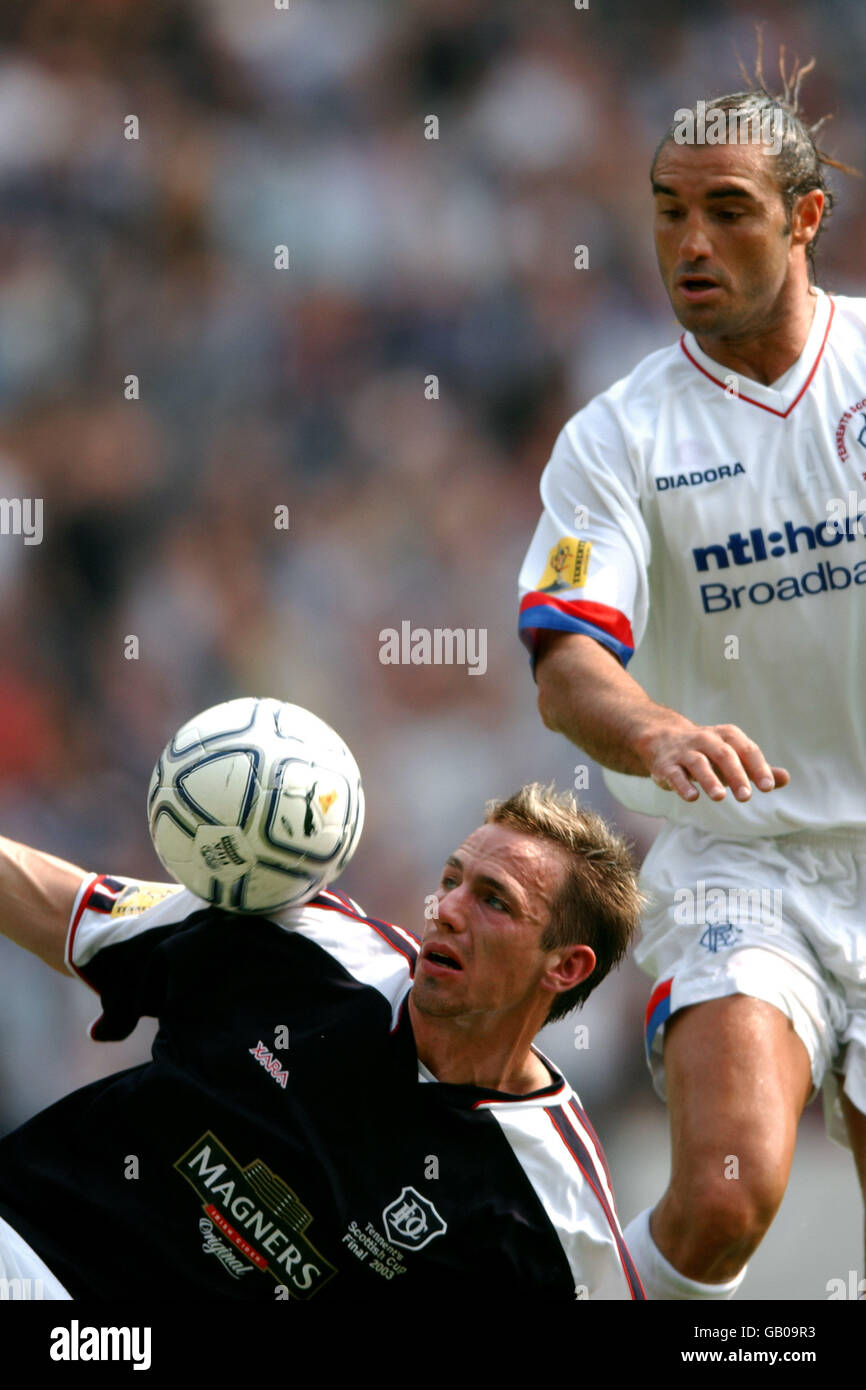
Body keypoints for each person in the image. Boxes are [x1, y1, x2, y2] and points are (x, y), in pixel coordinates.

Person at [518, 55, 866, 1301]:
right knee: (724, 1194)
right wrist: (657, 731)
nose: (689, 241)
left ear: (804, 216)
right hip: (743, 859)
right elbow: (567, 669)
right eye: (668, 209)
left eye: (726, 208)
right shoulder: (617, 436)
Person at [0, 783, 644, 1301]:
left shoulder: (559, 1213)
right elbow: (70, 912)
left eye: (494, 902)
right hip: (26, 1244)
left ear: (565, 967)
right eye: (451, 880)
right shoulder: (310, 943)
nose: (445, 909)